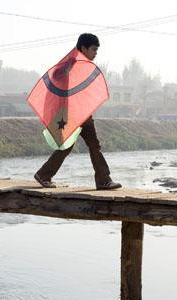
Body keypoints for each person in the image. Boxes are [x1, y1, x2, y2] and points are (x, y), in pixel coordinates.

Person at [34, 33, 121, 190]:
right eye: (93, 49)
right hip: (72, 114)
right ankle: (103, 181)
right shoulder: (68, 65)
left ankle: (44, 175)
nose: (95, 53)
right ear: (83, 48)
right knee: (89, 145)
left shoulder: (81, 65)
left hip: (80, 113)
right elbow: (57, 82)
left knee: (77, 146)